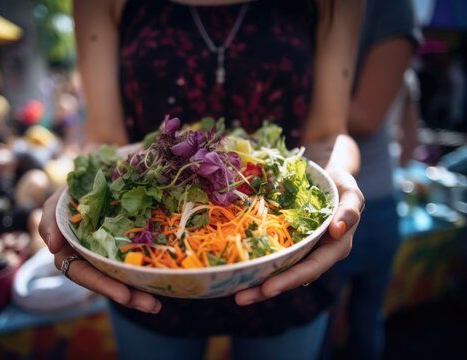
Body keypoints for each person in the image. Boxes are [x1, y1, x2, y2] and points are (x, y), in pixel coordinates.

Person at [39, 1, 365, 359]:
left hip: (284, 261)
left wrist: (336, 179)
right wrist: (81, 190)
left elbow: (328, 134)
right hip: (143, 266)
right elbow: (106, 138)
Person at [320, 0, 420, 359]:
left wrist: (297, 98)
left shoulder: (391, 9)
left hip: (370, 203)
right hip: (371, 192)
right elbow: (411, 141)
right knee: (343, 321)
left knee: (349, 322)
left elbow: (366, 117)